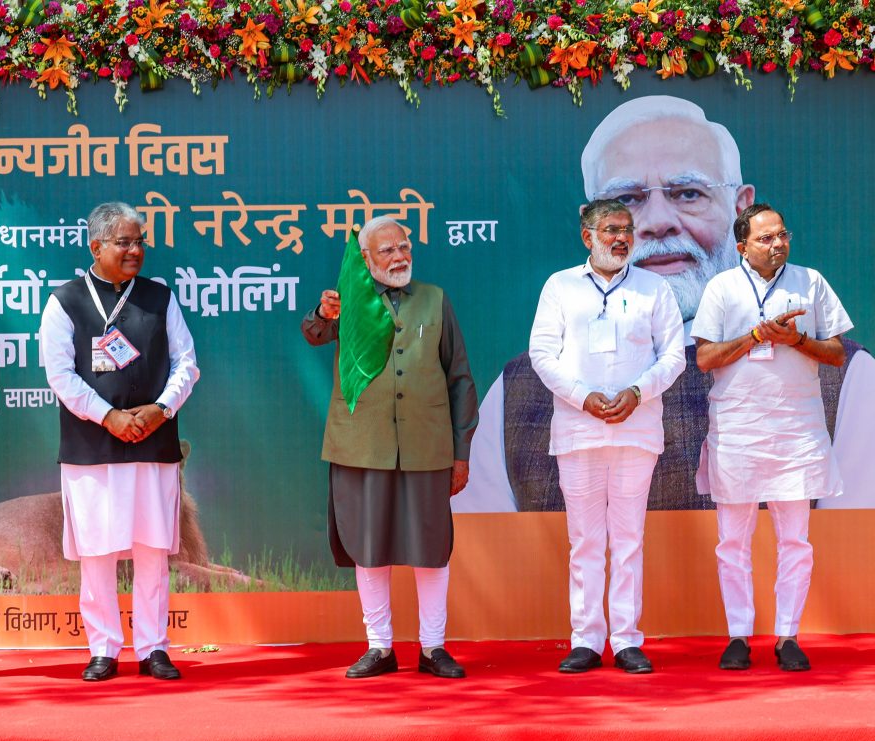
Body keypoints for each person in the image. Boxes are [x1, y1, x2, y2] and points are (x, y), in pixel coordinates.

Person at [453, 95, 874, 513]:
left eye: (689, 193)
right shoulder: (518, 391)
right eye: (628, 200)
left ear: (740, 208)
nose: (657, 222)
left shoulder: (847, 380)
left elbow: (850, 561)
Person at [302, 215, 478, 679]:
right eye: (387, 250)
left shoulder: (435, 300)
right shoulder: (349, 302)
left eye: (404, 247)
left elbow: (460, 380)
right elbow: (313, 334)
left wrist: (461, 453)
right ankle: (379, 648)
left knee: (431, 548)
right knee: (369, 546)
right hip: (362, 447)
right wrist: (323, 315)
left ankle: (433, 647)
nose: (399, 256)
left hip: (427, 446)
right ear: (366, 258)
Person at [40, 202, 199, 681]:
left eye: (140, 241)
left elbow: (186, 364)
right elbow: (59, 375)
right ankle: (104, 649)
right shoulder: (64, 301)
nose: (136, 250)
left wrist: (160, 409)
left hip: (153, 442)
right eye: (124, 242)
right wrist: (108, 417)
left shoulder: (159, 298)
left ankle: (154, 648)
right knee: (97, 551)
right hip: (93, 449)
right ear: (96, 247)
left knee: (152, 550)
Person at [692, 204, 851, 672]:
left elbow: (837, 352)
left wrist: (796, 340)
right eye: (765, 238)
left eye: (782, 234)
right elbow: (704, 358)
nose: (777, 243)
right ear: (741, 247)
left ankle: (787, 636)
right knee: (732, 542)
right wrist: (755, 336)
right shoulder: (721, 287)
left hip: (795, 430)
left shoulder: (811, 281)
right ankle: (738, 634)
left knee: (795, 540)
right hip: (738, 430)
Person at [529, 200, 684, 674]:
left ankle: (626, 638)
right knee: (585, 540)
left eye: (627, 230)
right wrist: (582, 396)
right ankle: (586, 639)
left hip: (636, 429)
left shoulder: (654, 288)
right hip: (579, 430)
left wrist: (638, 392)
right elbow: (541, 353)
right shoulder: (560, 286)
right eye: (611, 230)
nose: (621, 238)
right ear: (587, 237)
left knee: (629, 537)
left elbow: (674, 355)